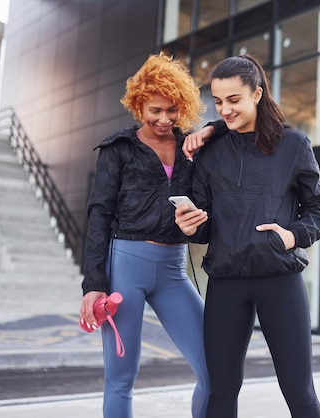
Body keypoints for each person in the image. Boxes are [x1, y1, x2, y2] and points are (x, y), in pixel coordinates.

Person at [174, 54, 320, 418]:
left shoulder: (294, 145)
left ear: (257, 94)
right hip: (227, 281)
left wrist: (292, 237)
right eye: (217, 102)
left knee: (298, 389)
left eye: (234, 100)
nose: (225, 110)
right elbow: (205, 221)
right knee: (220, 390)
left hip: (280, 278)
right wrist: (190, 225)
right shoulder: (210, 151)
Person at [79, 52, 220, 418]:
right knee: (122, 378)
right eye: (154, 110)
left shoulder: (193, 149)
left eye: (172, 111)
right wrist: (93, 283)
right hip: (125, 267)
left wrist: (212, 129)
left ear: (183, 108)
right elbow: (99, 215)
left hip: (173, 269)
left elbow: (205, 223)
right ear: (139, 103)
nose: (163, 119)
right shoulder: (118, 149)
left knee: (215, 367)